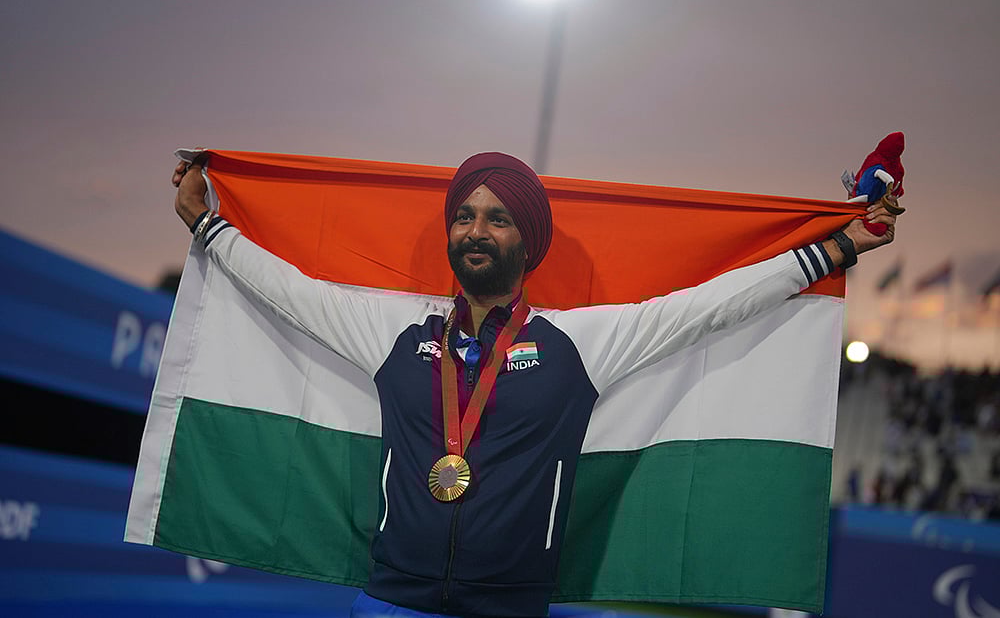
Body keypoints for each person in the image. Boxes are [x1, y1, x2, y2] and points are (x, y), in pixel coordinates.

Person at [172, 150, 899, 618]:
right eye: (463, 216)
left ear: (528, 240)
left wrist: (839, 246)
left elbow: (706, 308)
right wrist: (208, 224)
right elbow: (291, 292)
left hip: (510, 610)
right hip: (391, 603)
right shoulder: (397, 336)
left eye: (496, 217)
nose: (474, 229)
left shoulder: (577, 344)